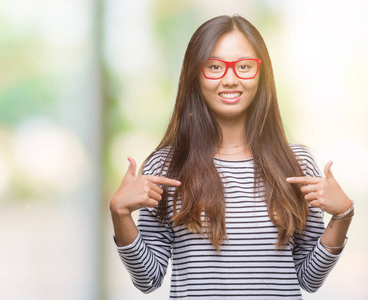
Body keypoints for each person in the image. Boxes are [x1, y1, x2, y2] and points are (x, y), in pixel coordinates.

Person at [108, 14, 354, 299]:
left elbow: (309, 278)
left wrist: (343, 215)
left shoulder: (296, 163)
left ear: (262, 74)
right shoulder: (166, 166)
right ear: (195, 74)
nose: (230, 79)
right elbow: (148, 279)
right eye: (214, 66)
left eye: (244, 66)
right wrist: (120, 214)